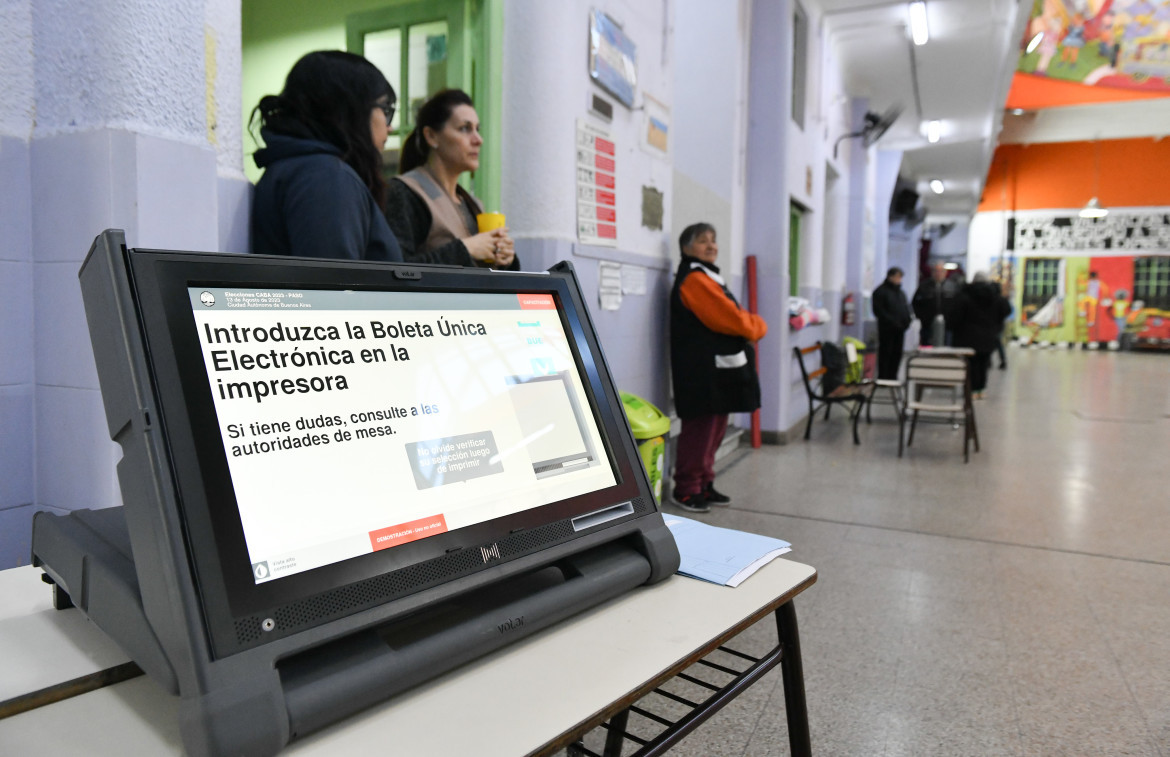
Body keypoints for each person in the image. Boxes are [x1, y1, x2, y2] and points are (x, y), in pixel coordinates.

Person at [250, 51, 403, 261]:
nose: (390, 127)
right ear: (351, 110)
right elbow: (333, 288)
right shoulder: (326, 177)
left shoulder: (306, 169)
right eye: (385, 110)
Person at [669, 223, 767, 513]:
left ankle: (704, 483)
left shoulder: (709, 277)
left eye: (713, 240)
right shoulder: (695, 280)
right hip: (701, 373)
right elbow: (734, 321)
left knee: (715, 430)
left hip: (717, 371)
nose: (711, 246)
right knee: (700, 431)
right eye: (702, 241)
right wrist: (758, 325)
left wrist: (747, 323)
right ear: (686, 249)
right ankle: (686, 489)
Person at [385, 89, 517, 269]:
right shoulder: (404, 192)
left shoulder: (473, 204)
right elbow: (395, 270)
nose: (478, 140)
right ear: (431, 136)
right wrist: (466, 249)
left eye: (477, 129)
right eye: (465, 128)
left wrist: (505, 259)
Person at [954, 271, 1012, 399]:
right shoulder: (995, 296)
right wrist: (996, 323)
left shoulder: (965, 294)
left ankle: (972, 389)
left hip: (967, 336)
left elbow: (956, 314)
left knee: (971, 364)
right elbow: (1007, 310)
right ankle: (981, 389)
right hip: (989, 335)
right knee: (984, 363)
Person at [872, 267, 912, 380]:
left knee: (897, 353)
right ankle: (884, 377)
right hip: (887, 329)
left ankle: (893, 376)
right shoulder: (880, 292)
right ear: (890, 277)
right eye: (897, 277)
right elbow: (879, 311)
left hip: (900, 329)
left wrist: (907, 320)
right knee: (886, 353)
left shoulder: (900, 293)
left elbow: (906, 308)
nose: (899, 280)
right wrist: (893, 322)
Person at [912, 262, 959, 346]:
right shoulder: (924, 286)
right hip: (927, 325)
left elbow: (958, 305)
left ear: (945, 273)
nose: (938, 273)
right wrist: (922, 317)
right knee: (927, 346)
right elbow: (915, 304)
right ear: (932, 272)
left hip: (947, 325)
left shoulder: (952, 287)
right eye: (936, 271)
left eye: (941, 271)